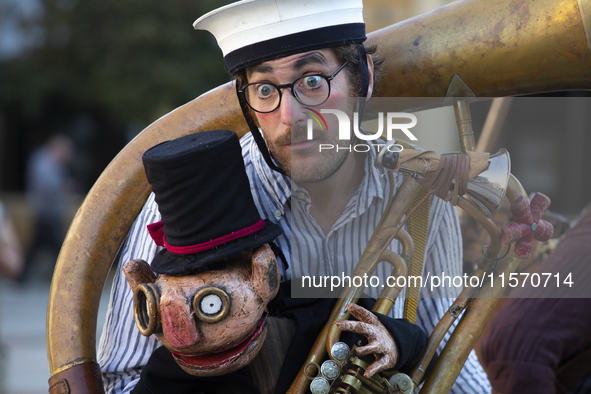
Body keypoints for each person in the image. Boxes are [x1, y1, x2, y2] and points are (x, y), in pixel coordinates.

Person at [98, 1, 491, 393]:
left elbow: (447, 343)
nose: (292, 115)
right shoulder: (189, 203)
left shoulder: (418, 188)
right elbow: (122, 380)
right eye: (265, 89)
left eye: (313, 81)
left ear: (364, 79)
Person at [22, 134, 74, 281]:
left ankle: (22, 275)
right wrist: (65, 187)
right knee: (58, 247)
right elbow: (48, 186)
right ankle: (62, 275)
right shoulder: (44, 162)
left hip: (47, 211)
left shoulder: (46, 161)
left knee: (38, 245)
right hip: (46, 212)